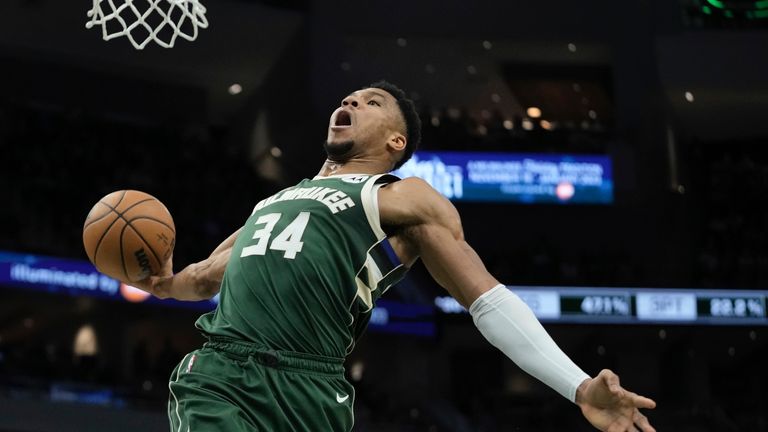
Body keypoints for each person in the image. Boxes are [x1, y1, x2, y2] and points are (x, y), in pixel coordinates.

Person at [133, 81, 656, 432]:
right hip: (222, 371)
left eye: (371, 102)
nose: (353, 101)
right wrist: (165, 283)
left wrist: (579, 385)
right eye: (350, 98)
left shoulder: (403, 198)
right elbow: (204, 278)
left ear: (395, 139)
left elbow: (487, 298)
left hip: (311, 386)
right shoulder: (273, 200)